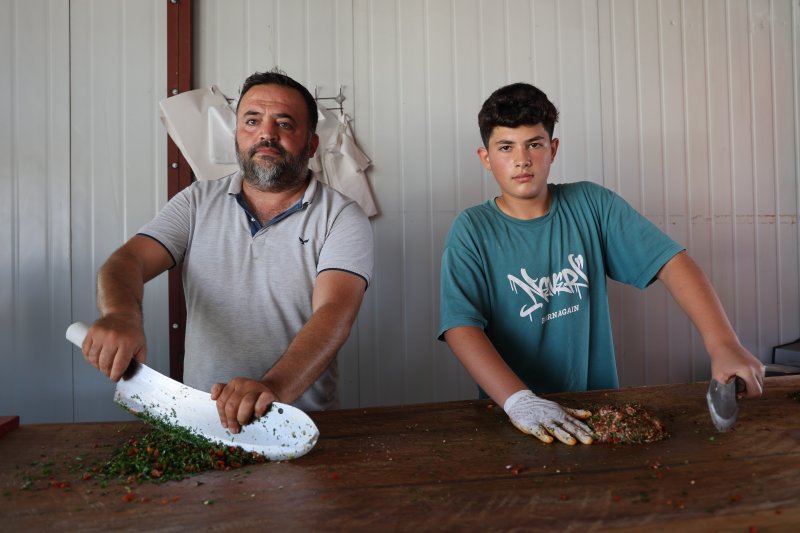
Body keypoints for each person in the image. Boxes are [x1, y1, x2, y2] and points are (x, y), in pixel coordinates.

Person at [437, 82, 765, 445]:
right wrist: (519, 401)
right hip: (512, 415)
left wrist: (723, 343)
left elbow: (672, 263)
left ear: (553, 149)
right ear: (485, 157)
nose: (522, 159)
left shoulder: (591, 205)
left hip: (599, 412)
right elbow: (461, 326)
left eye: (534, 144)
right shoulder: (472, 229)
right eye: (505, 147)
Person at [78, 69, 373, 433]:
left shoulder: (342, 216)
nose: (266, 133)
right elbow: (127, 261)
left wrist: (272, 388)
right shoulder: (197, 201)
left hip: (298, 426)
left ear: (311, 145)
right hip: (202, 422)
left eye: (284, 123)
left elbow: (334, 314)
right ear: (237, 136)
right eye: (252, 121)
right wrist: (121, 314)